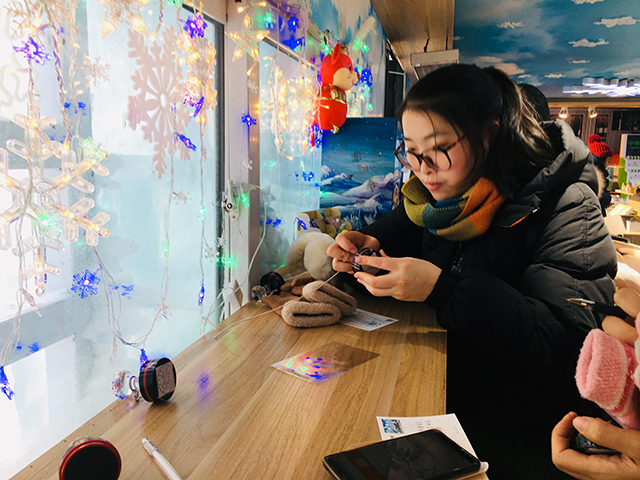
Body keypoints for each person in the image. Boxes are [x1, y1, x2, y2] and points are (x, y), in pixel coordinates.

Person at [327, 64, 618, 480]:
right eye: (410, 150)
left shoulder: (568, 206)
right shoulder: (438, 197)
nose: (422, 167)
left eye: (438, 148)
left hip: (528, 430)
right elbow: (402, 228)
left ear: (491, 136)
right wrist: (364, 245)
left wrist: (443, 290)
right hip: (445, 389)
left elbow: (566, 347)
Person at [587, 134, 614, 215]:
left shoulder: (587, 170)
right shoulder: (595, 174)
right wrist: (607, 198)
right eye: (608, 161)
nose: (608, 165)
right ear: (602, 159)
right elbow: (595, 199)